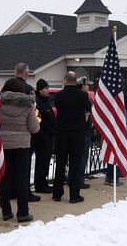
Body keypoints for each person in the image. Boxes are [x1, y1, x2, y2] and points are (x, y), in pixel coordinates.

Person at [0, 78, 40, 223]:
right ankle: (22, 212)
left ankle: (6, 211)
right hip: (22, 146)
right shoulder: (28, 105)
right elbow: (34, 128)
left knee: (5, 178)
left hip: (3, 145)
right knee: (22, 179)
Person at [52, 71, 91, 203]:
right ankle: (74, 195)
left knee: (60, 164)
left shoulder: (59, 95)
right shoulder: (83, 96)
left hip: (62, 133)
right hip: (77, 133)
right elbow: (88, 109)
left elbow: (57, 107)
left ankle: (57, 193)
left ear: (65, 81)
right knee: (75, 164)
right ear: (75, 81)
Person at [14, 62, 40, 202]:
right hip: (25, 133)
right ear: (26, 73)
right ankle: (25, 193)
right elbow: (34, 111)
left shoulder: (7, 87)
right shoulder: (29, 89)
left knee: (11, 167)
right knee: (24, 167)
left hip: (7, 134)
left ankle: (12, 191)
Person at [33, 79, 55, 193]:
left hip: (48, 136)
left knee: (46, 161)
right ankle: (40, 185)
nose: (48, 91)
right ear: (40, 90)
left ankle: (43, 182)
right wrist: (45, 131)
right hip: (42, 137)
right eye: (46, 89)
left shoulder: (46, 101)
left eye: (48, 88)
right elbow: (38, 120)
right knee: (41, 161)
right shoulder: (38, 102)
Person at [77, 76, 94, 189]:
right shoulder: (83, 98)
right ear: (82, 86)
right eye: (87, 85)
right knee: (82, 157)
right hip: (83, 131)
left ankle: (76, 178)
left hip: (78, 131)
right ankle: (79, 180)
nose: (88, 87)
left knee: (77, 157)